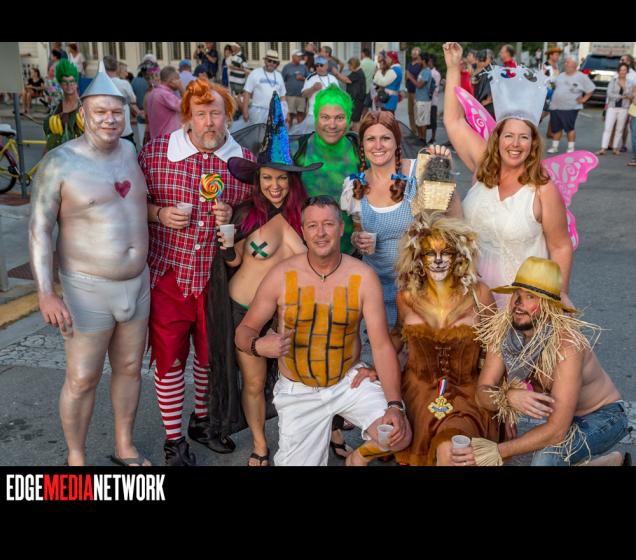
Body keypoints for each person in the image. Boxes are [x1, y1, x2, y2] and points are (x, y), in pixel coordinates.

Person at [29, 62, 151, 467]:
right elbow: (39, 228)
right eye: (100, 111)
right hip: (86, 287)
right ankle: (76, 457)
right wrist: (46, 292)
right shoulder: (59, 162)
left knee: (130, 367)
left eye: (116, 111)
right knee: (82, 378)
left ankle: (124, 445)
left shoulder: (130, 151)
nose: (109, 119)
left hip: (137, 283)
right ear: (83, 114)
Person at [234, 195, 412, 466]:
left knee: (400, 435)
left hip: (348, 381)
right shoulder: (281, 275)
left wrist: (395, 405)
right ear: (303, 231)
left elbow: (381, 345)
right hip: (298, 390)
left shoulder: (363, 277)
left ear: (341, 229)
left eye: (328, 224)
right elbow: (244, 331)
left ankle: (356, 459)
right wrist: (258, 346)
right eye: (312, 226)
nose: (320, 233)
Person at [138, 78, 255, 466]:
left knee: (210, 357)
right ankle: (174, 440)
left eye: (215, 113)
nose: (209, 122)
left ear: (228, 117)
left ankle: (202, 421)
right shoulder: (156, 154)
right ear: (187, 117)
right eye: (201, 114)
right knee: (170, 359)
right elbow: (131, 204)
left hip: (216, 279)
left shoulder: (243, 162)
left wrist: (234, 216)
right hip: (169, 275)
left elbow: (257, 212)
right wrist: (158, 213)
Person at [207, 92, 321, 466]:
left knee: (299, 382)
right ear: (258, 179)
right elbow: (234, 261)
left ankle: (300, 441)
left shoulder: (308, 217)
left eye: (282, 179)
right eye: (268, 178)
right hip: (245, 312)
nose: (274, 186)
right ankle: (259, 445)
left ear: (292, 181)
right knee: (254, 383)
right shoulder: (246, 214)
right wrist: (227, 245)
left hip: (289, 315)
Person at [443, 42, 573, 311]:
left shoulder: (543, 189)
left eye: (523, 137)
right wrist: (453, 68)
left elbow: (561, 246)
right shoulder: (483, 167)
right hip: (472, 302)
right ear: (497, 139)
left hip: (521, 308)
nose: (515, 144)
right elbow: (454, 122)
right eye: (509, 136)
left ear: (533, 143)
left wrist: (558, 299)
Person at [465, 257, 630, 467]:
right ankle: (608, 463)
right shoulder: (503, 334)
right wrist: (507, 397)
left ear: (548, 305)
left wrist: (497, 451)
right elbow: (482, 393)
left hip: (604, 417)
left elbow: (556, 431)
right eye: (517, 293)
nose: (518, 303)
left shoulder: (566, 345)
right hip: (563, 418)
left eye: (530, 296)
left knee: (545, 459)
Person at [387, 212, 499, 465]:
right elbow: (397, 336)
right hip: (418, 391)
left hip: (467, 393)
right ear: (418, 258)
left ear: (459, 256)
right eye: (430, 253)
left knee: (451, 448)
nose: (438, 260)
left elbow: (497, 348)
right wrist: (375, 369)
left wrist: (501, 400)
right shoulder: (405, 297)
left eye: (445, 253)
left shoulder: (480, 294)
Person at [341, 111, 463, 331]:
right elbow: (358, 229)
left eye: (385, 138)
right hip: (379, 289)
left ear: (397, 141)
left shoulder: (419, 171)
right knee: (385, 348)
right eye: (371, 139)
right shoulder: (355, 185)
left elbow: (453, 222)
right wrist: (357, 238)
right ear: (363, 145)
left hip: (421, 287)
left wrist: (446, 176)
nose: (378, 145)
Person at [293, 85, 359, 255]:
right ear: (315, 118)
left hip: (353, 250)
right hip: (306, 249)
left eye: (339, 118)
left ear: (349, 119)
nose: (332, 125)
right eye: (325, 117)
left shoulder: (361, 151)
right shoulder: (298, 150)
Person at [547, 58, 594, 154]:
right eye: (566, 63)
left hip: (571, 107)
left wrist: (584, 99)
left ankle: (571, 148)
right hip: (556, 106)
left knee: (569, 128)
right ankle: (554, 147)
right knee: (556, 128)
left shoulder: (581, 77)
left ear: (574, 66)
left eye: (568, 63)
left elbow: (591, 89)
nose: (566, 64)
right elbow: (554, 85)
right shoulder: (561, 75)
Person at [43, 59, 84, 151]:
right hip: (61, 155)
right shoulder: (56, 110)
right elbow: (50, 140)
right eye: (65, 82)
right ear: (60, 84)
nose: (69, 85)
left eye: (72, 81)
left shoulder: (84, 107)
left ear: (76, 83)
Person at [239, 50, 287, 128]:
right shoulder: (255, 73)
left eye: (274, 62)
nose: (271, 63)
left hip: (274, 113)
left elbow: (282, 96)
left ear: (277, 64)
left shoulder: (279, 76)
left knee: (271, 134)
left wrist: (284, 113)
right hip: (257, 111)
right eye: (269, 61)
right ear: (265, 61)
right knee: (257, 133)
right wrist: (245, 111)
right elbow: (247, 92)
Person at [103, 55, 143, 147]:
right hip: (124, 130)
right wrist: (139, 112)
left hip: (106, 130)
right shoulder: (124, 84)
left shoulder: (100, 84)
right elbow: (133, 100)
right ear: (116, 68)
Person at [597, 63, 634, 156]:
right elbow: (609, 94)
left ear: (627, 71)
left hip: (624, 108)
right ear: (618, 71)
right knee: (608, 128)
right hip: (612, 107)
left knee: (619, 129)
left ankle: (615, 148)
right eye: (621, 70)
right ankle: (603, 148)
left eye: (624, 70)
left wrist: (624, 87)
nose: (622, 72)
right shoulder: (613, 81)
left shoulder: (630, 83)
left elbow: (630, 96)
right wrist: (621, 97)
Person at [299, 55, 340, 133]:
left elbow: (338, 96)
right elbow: (304, 95)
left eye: (321, 65)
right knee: (312, 137)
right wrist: (313, 88)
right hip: (314, 114)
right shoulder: (310, 78)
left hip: (329, 115)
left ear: (326, 66)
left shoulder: (333, 79)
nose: (319, 68)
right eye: (317, 65)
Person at [145, 66, 183, 140]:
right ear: (171, 81)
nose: (180, 81)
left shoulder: (153, 92)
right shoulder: (165, 94)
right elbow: (185, 107)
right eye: (178, 79)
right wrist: (181, 88)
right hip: (167, 139)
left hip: (157, 138)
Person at [282, 50, 309, 128]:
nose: (300, 58)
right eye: (298, 56)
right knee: (289, 116)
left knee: (301, 115)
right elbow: (282, 80)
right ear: (293, 56)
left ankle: (300, 133)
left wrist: (302, 78)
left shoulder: (304, 67)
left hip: (301, 96)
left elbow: (309, 79)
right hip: (290, 96)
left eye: (301, 56)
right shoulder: (286, 67)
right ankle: (289, 133)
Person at [413, 53, 433, 142]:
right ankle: (420, 137)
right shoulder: (422, 70)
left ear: (423, 60)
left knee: (423, 121)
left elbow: (419, 85)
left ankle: (423, 139)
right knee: (418, 121)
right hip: (419, 99)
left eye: (418, 59)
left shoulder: (427, 72)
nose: (417, 61)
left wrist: (410, 77)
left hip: (424, 100)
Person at [343, 58, 366, 132]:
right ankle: (355, 134)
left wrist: (336, 74)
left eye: (349, 65)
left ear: (353, 65)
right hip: (357, 100)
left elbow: (346, 80)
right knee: (354, 120)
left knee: (356, 121)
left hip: (357, 100)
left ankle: (356, 136)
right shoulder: (357, 72)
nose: (348, 67)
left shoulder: (357, 74)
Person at [405, 48, 424, 134]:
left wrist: (410, 76)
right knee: (410, 112)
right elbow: (406, 75)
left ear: (419, 54)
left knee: (417, 112)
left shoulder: (420, 65)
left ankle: (419, 131)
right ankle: (413, 130)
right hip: (409, 90)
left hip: (417, 92)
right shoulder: (409, 64)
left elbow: (418, 77)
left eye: (416, 52)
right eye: (412, 52)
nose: (413, 53)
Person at [473, 49, 495, 119]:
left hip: (487, 107)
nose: (478, 61)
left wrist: (488, 100)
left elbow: (493, 86)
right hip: (479, 104)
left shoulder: (491, 70)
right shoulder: (482, 69)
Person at [360, 47, 376, 120]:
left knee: (360, 107)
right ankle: (364, 121)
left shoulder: (361, 63)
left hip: (361, 88)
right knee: (366, 107)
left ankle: (360, 121)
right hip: (369, 88)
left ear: (363, 54)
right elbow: (374, 75)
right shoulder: (373, 64)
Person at [428, 54, 441, 144]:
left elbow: (435, 86)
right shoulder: (426, 71)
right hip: (426, 98)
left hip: (433, 99)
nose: (428, 62)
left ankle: (433, 136)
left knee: (433, 118)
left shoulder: (436, 73)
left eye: (429, 61)